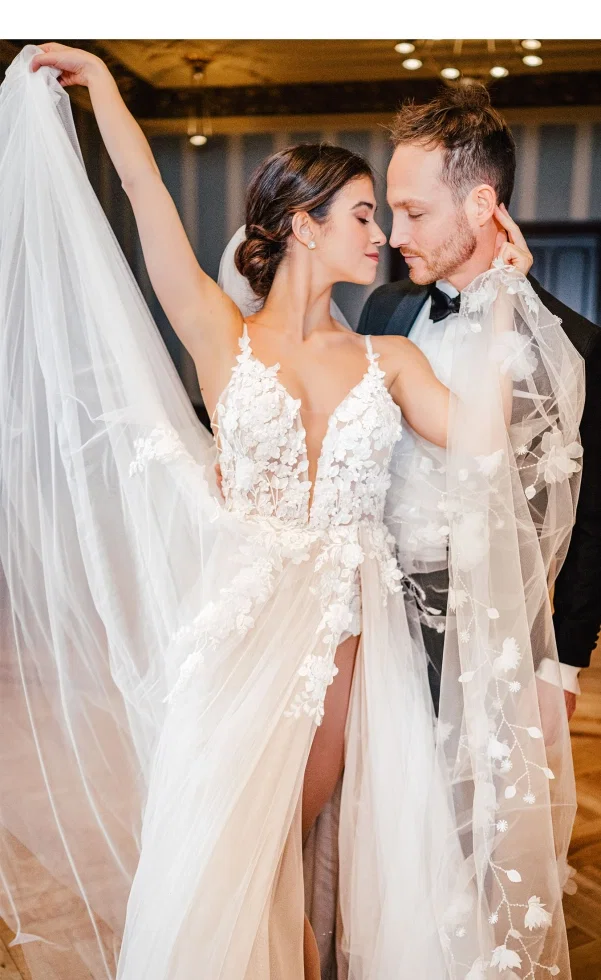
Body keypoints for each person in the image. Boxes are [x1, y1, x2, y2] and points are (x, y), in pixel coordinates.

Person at [0, 43, 584, 980]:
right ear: (304, 228)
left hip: (348, 647)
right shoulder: (217, 334)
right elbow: (146, 193)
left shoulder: (389, 363)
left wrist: (505, 297)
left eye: (388, 214)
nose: (383, 234)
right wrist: (104, 88)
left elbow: (481, 440)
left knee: (295, 852)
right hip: (233, 646)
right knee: (220, 855)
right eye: (364, 212)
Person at [357, 84, 601, 727]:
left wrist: (564, 661)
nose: (392, 234)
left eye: (414, 212)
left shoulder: (576, 345)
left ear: (481, 204)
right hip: (374, 620)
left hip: (498, 636)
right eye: (391, 211)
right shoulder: (385, 311)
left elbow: (595, 515)